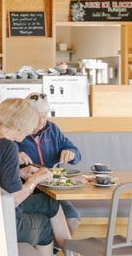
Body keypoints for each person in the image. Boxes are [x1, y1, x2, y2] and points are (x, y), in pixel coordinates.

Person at [0, 98, 73, 256]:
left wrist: (19, 173)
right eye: (31, 124)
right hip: (3, 218)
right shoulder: (9, 146)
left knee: (49, 203)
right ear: (20, 123)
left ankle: (71, 253)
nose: (31, 130)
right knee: (46, 225)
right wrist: (34, 180)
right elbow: (13, 199)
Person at [18, 92, 82, 234]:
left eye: (45, 117)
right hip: (28, 190)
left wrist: (71, 153)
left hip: (53, 190)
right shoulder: (17, 133)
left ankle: (52, 252)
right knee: (45, 222)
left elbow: (76, 152)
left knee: (72, 219)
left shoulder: (52, 129)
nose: (42, 122)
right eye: (37, 117)